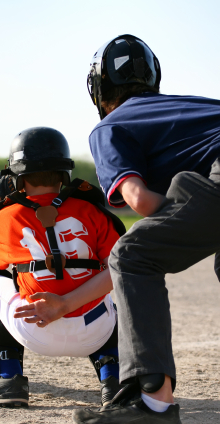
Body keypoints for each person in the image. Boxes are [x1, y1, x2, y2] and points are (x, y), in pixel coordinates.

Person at [72, 34, 220, 424]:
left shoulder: (109, 127)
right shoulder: (193, 107)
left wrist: (181, 213)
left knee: (132, 255)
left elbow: (139, 200)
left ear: (99, 91)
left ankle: (153, 404)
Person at [0, 126, 125, 407]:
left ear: (18, 178)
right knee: (113, 280)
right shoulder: (92, 210)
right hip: (95, 329)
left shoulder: (7, 215)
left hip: (34, 327)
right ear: (65, 174)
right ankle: (113, 381)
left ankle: (9, 379)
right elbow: (120, 269)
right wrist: (68, 300)